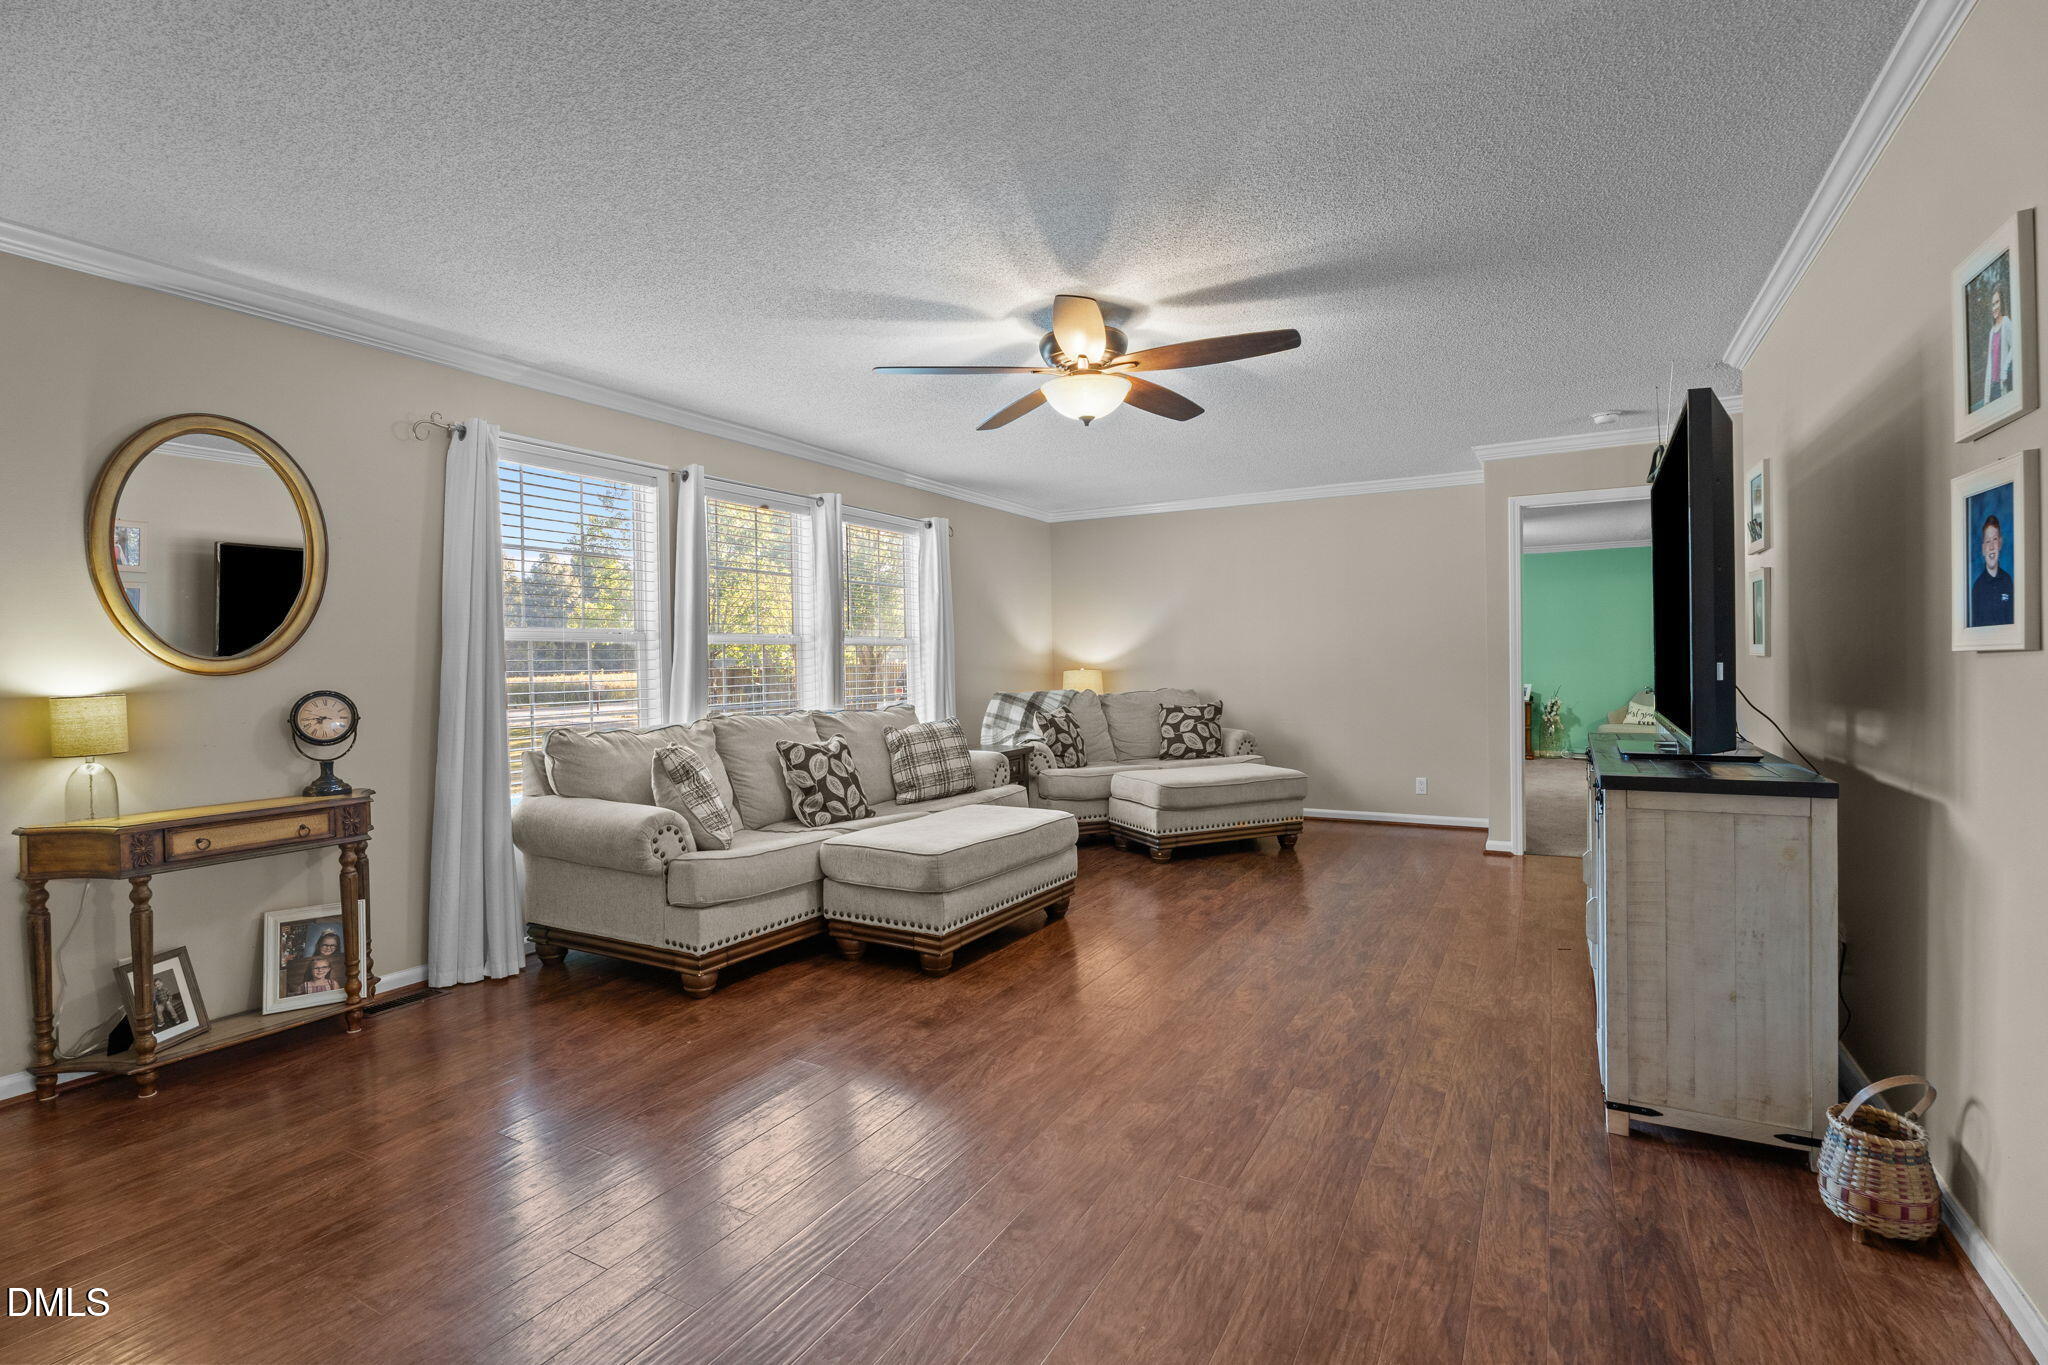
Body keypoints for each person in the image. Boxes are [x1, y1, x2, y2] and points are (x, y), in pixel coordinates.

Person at [1971, 512, 2014, 627]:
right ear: (1983, 549)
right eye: (1987, 541)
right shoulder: (1977, 588)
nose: (1991, 547)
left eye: (1994, 539)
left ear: (2000, 544)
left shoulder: (2008, 581)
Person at [1983, 286, 2017, 407]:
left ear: (2002, 302)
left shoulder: (2006, 322)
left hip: (2001, 384)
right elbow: (1990, 363)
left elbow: (2015, 345)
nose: (1995, 307)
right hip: (1992, 386)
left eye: (1997, 302)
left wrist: (2005, 367)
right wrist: (1986, 395)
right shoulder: (1992, 331)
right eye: (1993, 304)